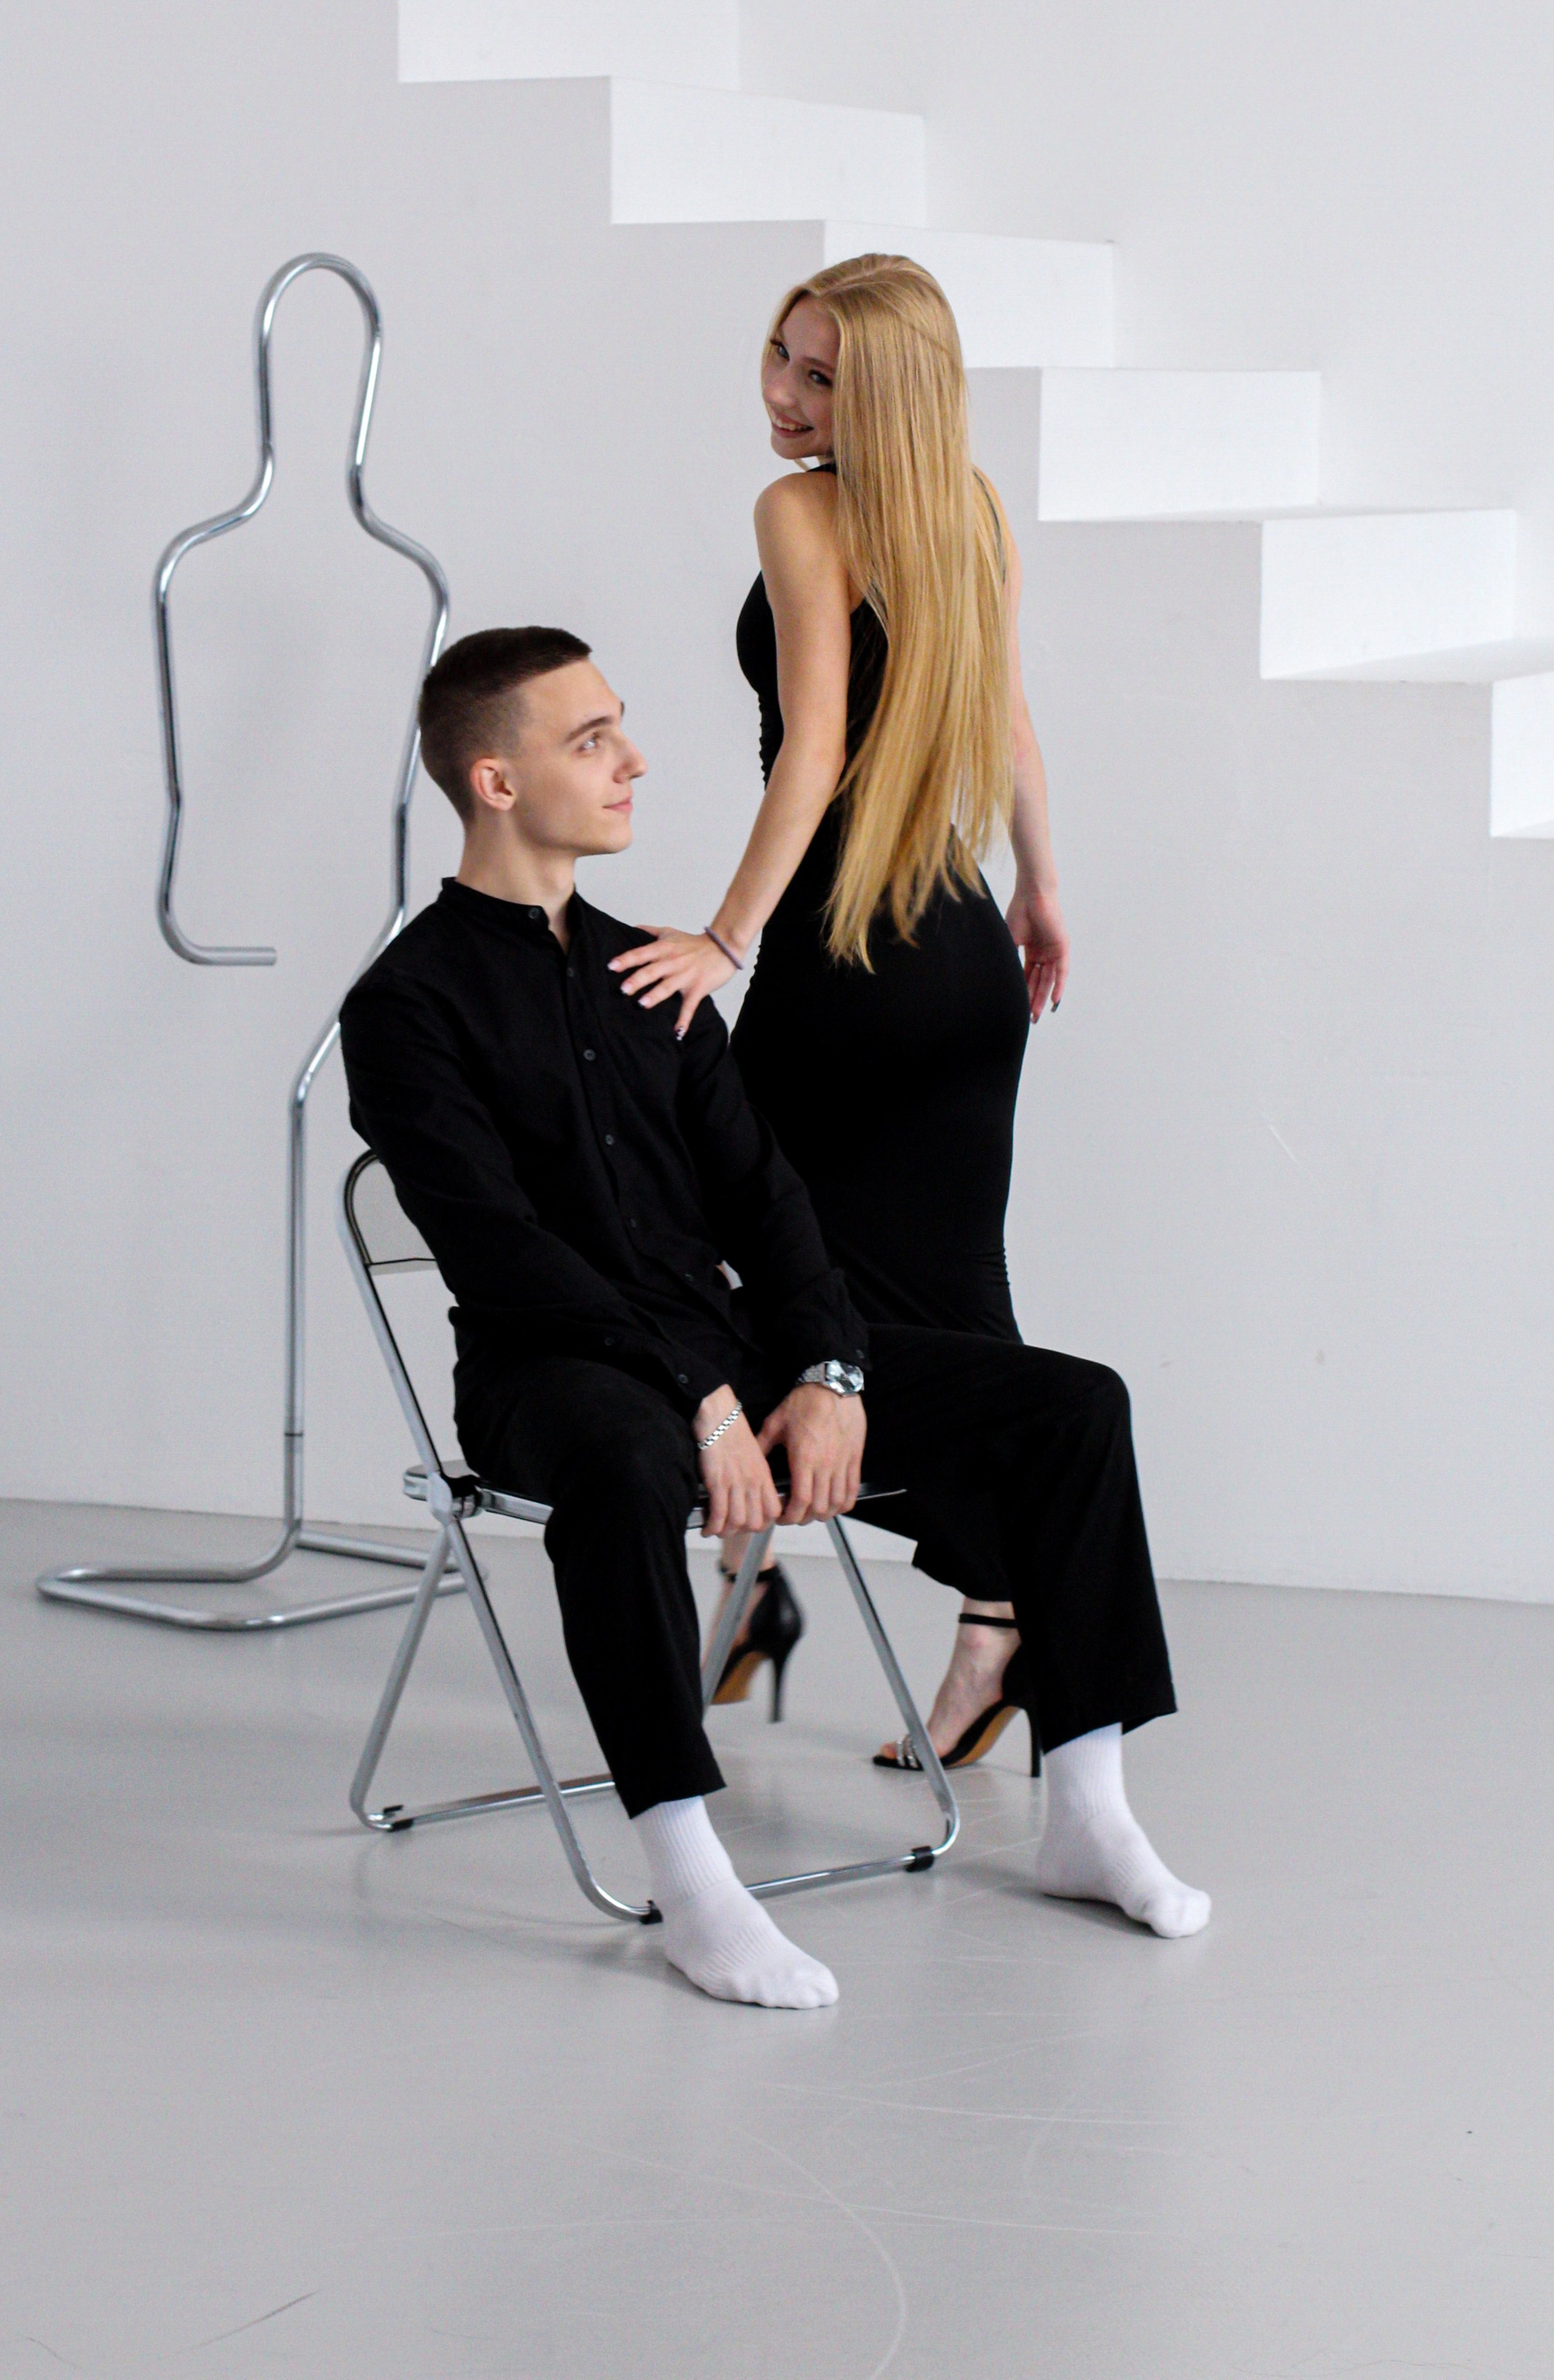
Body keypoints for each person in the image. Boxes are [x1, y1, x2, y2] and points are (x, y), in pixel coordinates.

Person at [338, 624, 1209, 2012]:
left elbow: (770, 1205)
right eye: (591, 741)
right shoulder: (405, 1005)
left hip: (736, 1360)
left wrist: (828, 1369)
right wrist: (703, 1397)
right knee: (621, 1465)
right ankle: (691, 1879)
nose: (633, 761)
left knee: (1072, 1406)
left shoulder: (657, 977)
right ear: (495, 783)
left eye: (620, 728)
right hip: (549, 1374)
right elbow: (500, 1253)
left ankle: (1087, 1813)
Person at [608, 254, 1065, 1769]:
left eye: (824, 378)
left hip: (843, 957)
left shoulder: (800, 515)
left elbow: (811, 747)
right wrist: (1040, 889)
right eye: (782, 357)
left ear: (890, 399)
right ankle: (969, 1622)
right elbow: (1010, 722)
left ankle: (759, 1586)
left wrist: (724, 938)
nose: (786, 396)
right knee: (951, 1306)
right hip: (964, 961)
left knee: (738, 1260)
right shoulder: (967, 509)